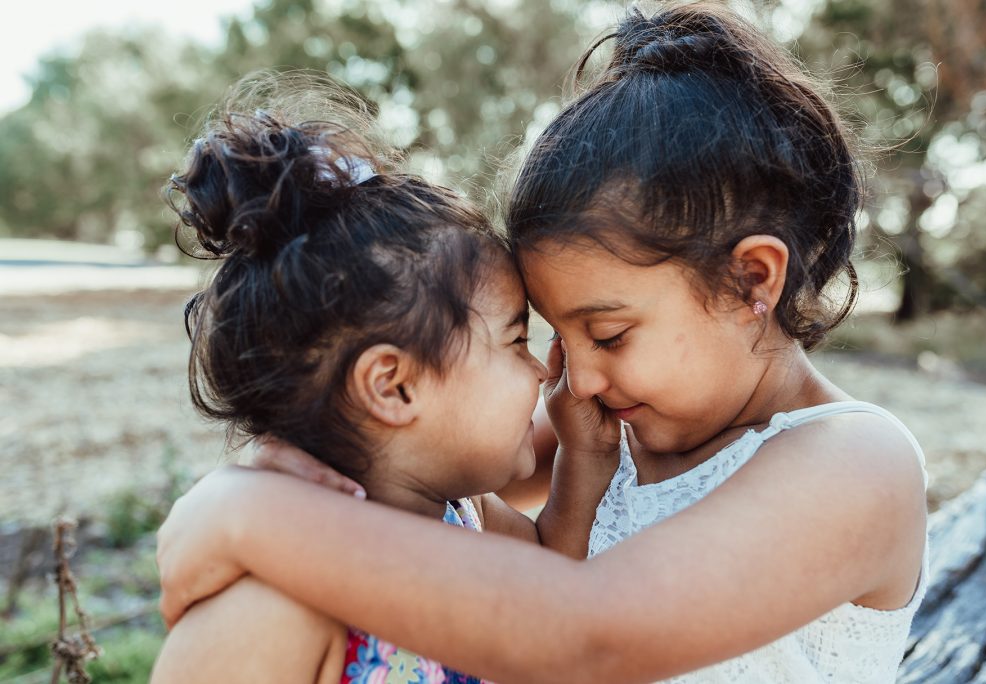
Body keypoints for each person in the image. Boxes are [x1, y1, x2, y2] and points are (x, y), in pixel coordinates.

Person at [157, 4, 929, 682]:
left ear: (752, 282)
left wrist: (246, 518)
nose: (578, 380)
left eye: (609, 333)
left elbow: (589, 634)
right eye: (559, 337)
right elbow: (410, 454)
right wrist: (287, 469)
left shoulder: (856, 464)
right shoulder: (601, 433)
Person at [149, 73, 607, 683]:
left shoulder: (463, 514)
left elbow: (555, 586)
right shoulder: (279, 603)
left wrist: (587, 451)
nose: (537, 366)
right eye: (516, 339)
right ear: (393, 386)